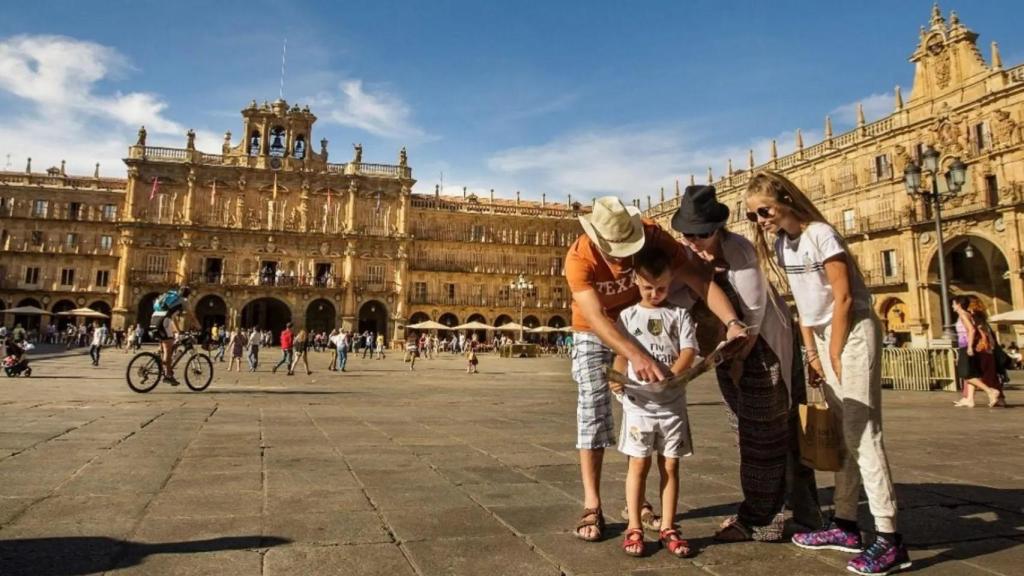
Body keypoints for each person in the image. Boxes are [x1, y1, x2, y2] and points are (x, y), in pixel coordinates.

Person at [745, 171, 910, 576]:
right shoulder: (784, 244)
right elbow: (801, 303)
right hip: (822, 336)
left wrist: (833, 348)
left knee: (862, 433)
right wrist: (813, 353)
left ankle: (890, 541)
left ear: (784, 199)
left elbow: (844, 295)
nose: (760, 220)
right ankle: (846, 525)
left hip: (851, 329)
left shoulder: (821, 234)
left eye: (763, 210)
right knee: (842, 433)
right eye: (753, 216)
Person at [565, 196, 746, 542]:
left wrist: (733, 322)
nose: (620, 255)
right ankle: (592, 504)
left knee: (642, 415)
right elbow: (595, 316)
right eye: (613, 249)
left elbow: (701, 282)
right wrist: (635, 355)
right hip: (592, 330)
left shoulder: (653, 236)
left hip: (639, 322)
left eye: (625, 246)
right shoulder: (578, 257)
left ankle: (639, 502)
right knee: (592, 409)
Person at [671, 184, 821, 542]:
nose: (693, 240)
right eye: (687, 233)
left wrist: (739, 362)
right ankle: (799, 511)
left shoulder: (737, 249)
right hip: (728, 352)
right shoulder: (691, 253)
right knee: (753, 432)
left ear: (718, 228)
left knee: (763, 436)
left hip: (761, 349)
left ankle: (760, 519)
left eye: (701, 234)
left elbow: (752, 315)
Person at [609, 245, 697, 558]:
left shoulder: (680, 314)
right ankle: (634, 525)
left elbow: (689, 350)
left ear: (671, 282)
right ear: (636, 281)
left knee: (670, 465)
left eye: (661, 288)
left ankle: (668, 526)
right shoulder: (628, 315)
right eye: (648, 287)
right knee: (638, 464)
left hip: (672, 403)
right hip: (638, 404)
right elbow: (621, 352)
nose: (655, 293)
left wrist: (671, 375)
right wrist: (616, 379)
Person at [951, 297, 1004, 408]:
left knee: (966, 374)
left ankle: (991, 391)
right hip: (975, 347)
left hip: (968, 346)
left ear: (959, 304)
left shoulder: (964, 315)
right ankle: (969, 399)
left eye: (954, 304)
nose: (952, 306)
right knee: (972, 373)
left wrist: (970, 346)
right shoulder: (971, 315)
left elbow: (972, 330)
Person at [150, 285, 196, 385]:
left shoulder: (172, 301)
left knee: (164, 345)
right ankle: (168, 376)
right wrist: (198, 326)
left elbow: (173, 318)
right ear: (188, 294)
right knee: (168, 350)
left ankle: (159, 362)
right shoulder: (184, 300)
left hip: (154, 318)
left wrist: (178, 331)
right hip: (163, 322)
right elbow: (191, 315)